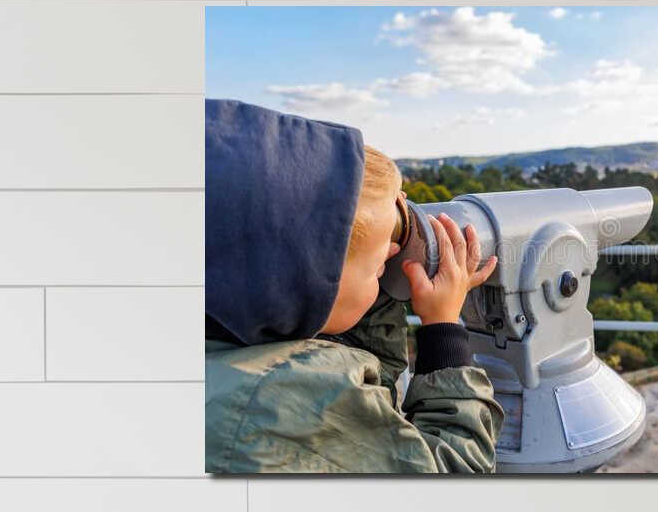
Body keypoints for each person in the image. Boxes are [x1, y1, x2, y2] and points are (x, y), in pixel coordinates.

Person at [203, 99, 502, 474]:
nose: (395, 253)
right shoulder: (282, 399)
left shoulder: (226, 330)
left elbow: (369, 415)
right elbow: (455, 471)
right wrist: (443, 331)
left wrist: (374, 241)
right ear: (310, 284)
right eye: (379, 266)